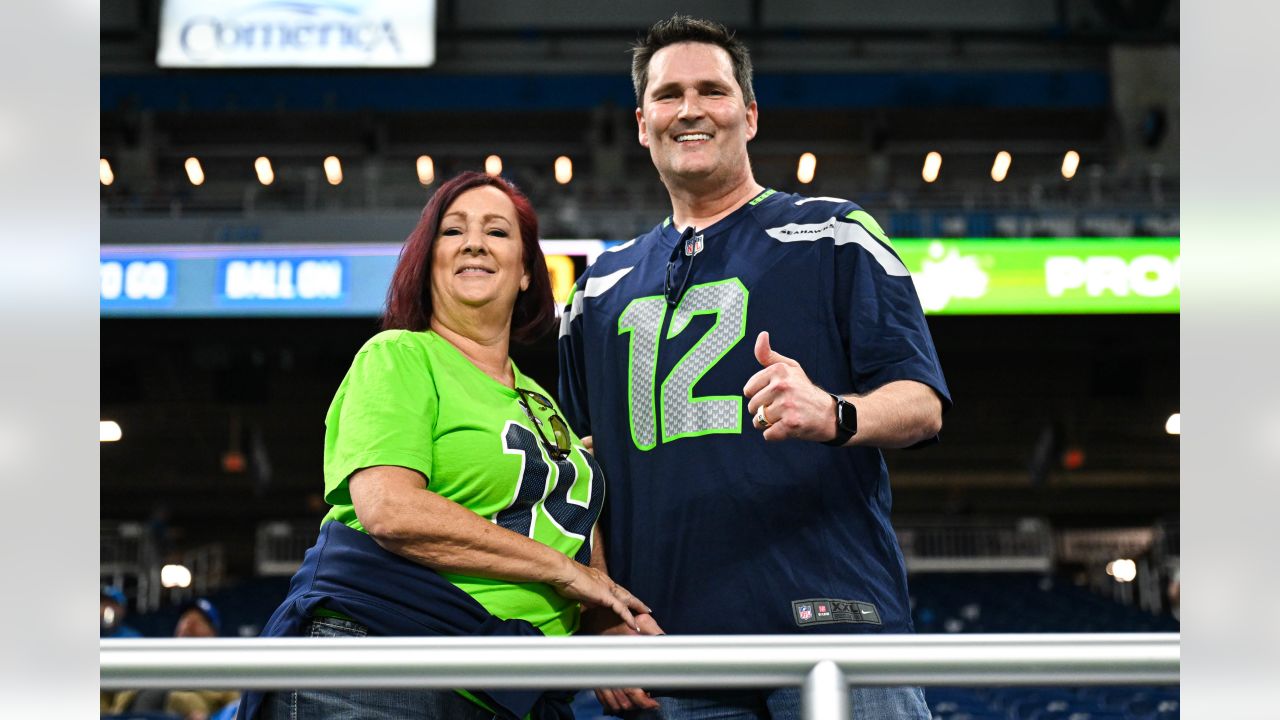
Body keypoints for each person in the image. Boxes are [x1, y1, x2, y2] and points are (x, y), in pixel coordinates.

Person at [558, 15, 951, 719]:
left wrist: (834, 413)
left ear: (750, 114)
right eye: (669, 94)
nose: (690, 109)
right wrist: (598, 608)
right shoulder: (598, 288)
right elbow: (579, 472)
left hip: (837, 634)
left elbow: (923, 404)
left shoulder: (835, 234)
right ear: (643, 122)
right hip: (674, 652)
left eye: (711, 89)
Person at [239, 171, 649, 720]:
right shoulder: (400, 356)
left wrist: (599, 618)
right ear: (428, 261)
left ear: (528, 272)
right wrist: (567, 573)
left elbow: (574, 517)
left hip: (511, 691)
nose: (474, 242)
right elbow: (389, 508)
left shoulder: (541, 403)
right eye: (453, 231)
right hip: (383, 663)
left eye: (498, 232)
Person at [109, 597, 239, 720]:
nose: (188, 625)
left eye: (199, 621)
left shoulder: (222, 670)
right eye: (185, 619)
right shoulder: (153, 659)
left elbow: (235, 710)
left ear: (213, 633)